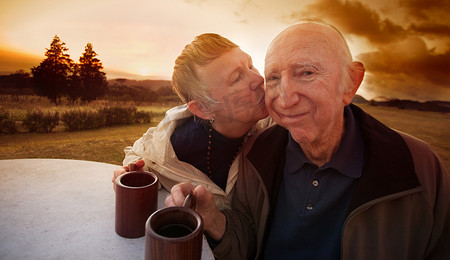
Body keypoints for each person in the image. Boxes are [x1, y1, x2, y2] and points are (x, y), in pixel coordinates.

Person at [166, 20, 450, 259]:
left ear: (350, 83)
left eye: (307, 72)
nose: (285, 97)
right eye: (274, 77)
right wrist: (214, 220)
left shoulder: (418, 169)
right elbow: (248, 240)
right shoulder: (257, 154)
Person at [112, 33, 270, 210]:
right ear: (203, 108)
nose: (259, 79)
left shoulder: (278, 123)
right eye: (237, 78)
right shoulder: (172, 148)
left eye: (250, 65)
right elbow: (142, 154)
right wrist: (130, 171)